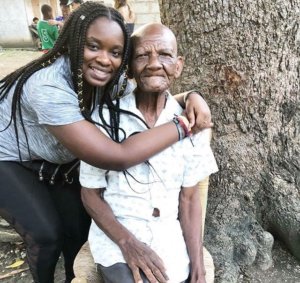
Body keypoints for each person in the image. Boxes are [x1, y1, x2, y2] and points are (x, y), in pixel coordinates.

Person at [0, 2, 212, 283]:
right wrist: (186, 125)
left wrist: (190, 97)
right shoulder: (47, 86)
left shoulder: (112, 81)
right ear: (73, 44)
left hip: (56, 160)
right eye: (93, 46)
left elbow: (153, 93)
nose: (104, 59)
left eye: (115, 52)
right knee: (45, 235)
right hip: (9, 158)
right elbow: (116, 156)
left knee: (77, 229)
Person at [80, 23, 218, 283]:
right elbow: (90, 192)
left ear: (178, 65)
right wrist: (128, 243)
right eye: (143, 55)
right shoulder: (106, 118)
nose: (154, 64)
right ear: (130, 67)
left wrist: (198, 270)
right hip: (117, 234)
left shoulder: (193, 122)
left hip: (167, 237)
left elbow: (189, 202)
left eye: (164, 55)